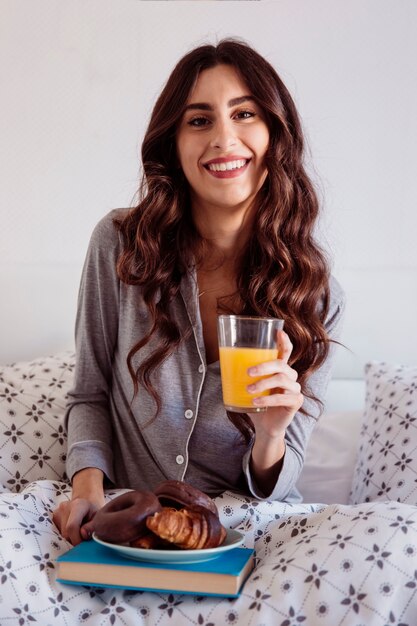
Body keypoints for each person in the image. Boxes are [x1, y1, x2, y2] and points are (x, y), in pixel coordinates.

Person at [53, 38, 345, 545]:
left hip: (249, 529)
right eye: (199, 120)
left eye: (245, 114)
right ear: (174, 143)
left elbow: (280, 482)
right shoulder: (121, 247)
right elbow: (89, 392)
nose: (224, 139)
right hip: (131, 525)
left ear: (276, 134)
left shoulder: (314, 294)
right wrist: (88, 490)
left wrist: (271, 432)